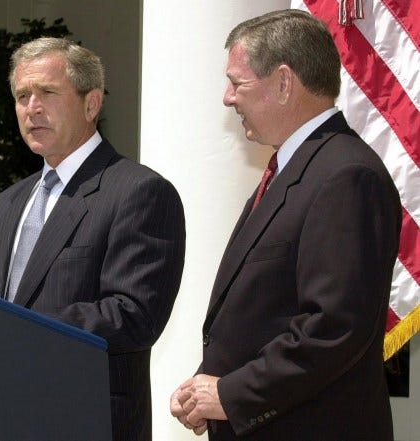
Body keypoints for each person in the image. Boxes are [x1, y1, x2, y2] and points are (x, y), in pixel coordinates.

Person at [170, 9, 401, 441]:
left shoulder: (347, 176)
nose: (227, 97)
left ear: (283, 82)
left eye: (237, 83)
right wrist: (208, 385)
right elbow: (264, 310)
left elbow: (333, 327)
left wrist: (233, 394)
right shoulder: (296, 169)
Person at [0, 37, 186, 440]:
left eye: (47, 92)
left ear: (92, 103)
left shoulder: (139, 192)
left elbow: (134, 314)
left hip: (84, 419)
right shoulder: (5, 203)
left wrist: (18, 328)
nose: (31, 107)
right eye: (22, 95)